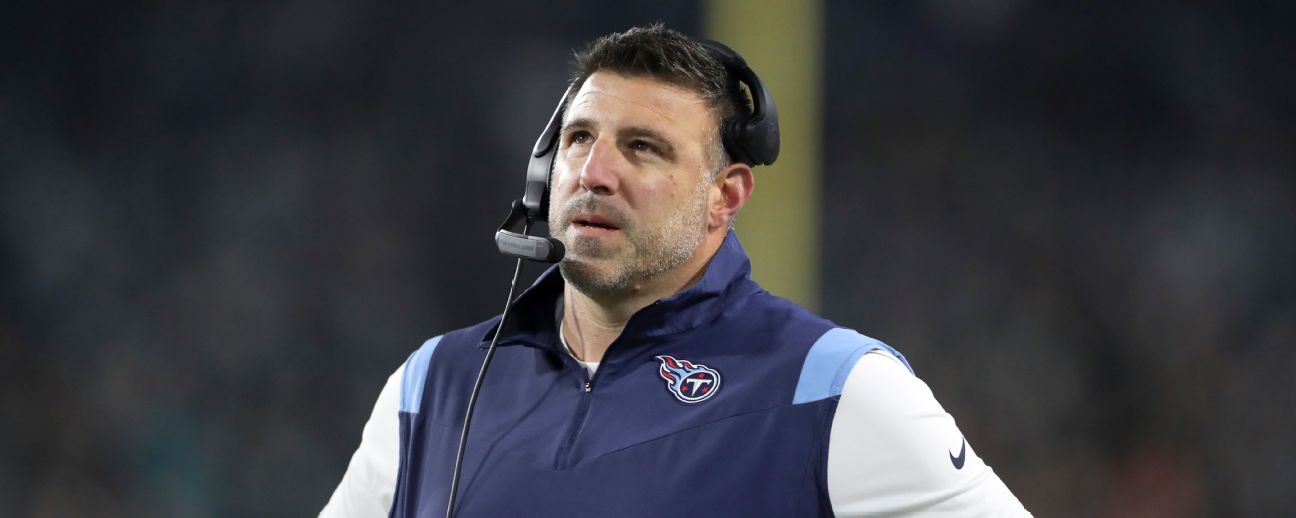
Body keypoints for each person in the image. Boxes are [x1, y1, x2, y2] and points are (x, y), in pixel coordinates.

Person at [322, 24, 1030, 517]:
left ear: (725, 197)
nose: (595, 173)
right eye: (578, 139)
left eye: (643, 148)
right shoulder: (435, 385)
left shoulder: (837, 392)